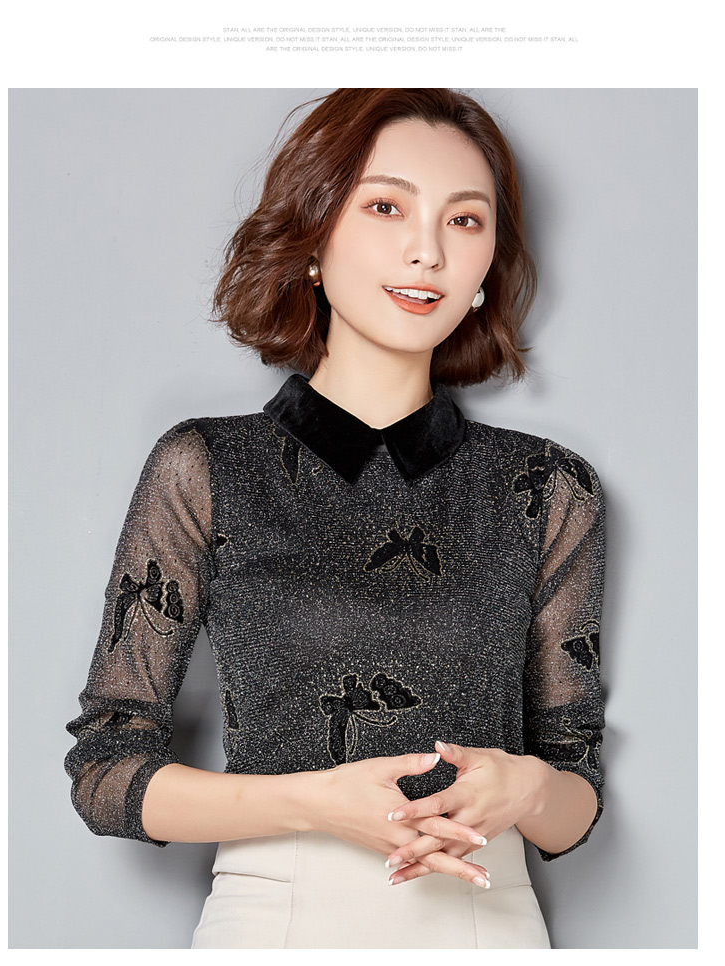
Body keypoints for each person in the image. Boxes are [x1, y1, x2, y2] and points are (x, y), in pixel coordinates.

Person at [65, 88, 605, 949]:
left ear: (487, 265)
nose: (427, 250)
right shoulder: (206, 466)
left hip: (487, 920)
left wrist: (527, 788)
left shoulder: (546, 487)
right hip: (273, 921)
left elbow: (575, 794)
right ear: (314, 236)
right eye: (386, 207)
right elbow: (104, 772)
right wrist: (315, 802)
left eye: (465, 220)